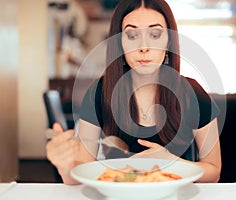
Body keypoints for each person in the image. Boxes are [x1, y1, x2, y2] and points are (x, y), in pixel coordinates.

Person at [46, 0, 221, 185]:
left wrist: (173, 163)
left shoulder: (193, 92)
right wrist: (64, 165)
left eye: (155, 34)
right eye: (131, 35)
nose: (143, 47)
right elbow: (79, 173)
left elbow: (214, 171)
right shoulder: (99, 92)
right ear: (119, 42)